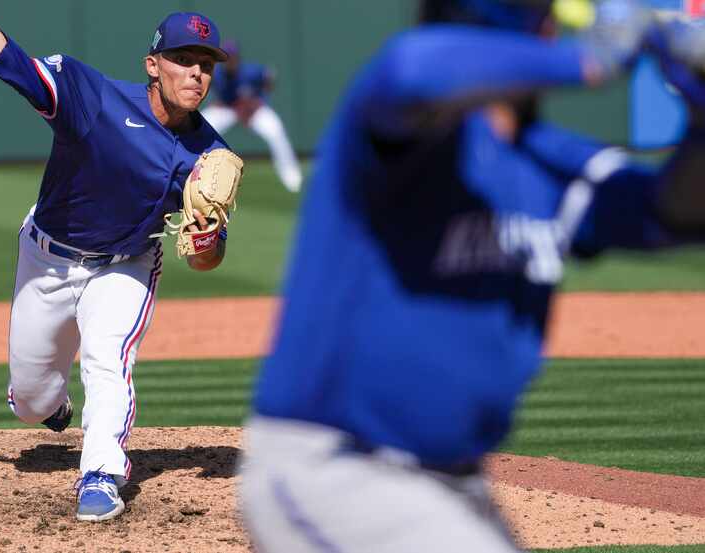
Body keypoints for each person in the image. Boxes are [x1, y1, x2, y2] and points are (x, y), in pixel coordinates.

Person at [238, 0, 705, 551]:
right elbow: (412, 67)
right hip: (339, 471)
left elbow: (670, 213)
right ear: (541, 30)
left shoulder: (545, 164)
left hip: (452, 488)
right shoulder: (402, 138)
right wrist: (591, 61)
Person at [0, 0, 233, 522]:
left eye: (206, 64)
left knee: (108, 358)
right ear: (153, 64)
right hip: (48, 257)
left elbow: (206, 261)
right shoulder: (91, 96)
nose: (196, 72)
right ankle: (50, 406)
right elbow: (7, 58)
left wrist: (207, 238)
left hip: (125, 263)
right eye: (183, 59)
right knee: (30, 402)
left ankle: (101, 472)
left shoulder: (209, 155)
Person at [202, 40, 304, 193]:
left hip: (252, 111)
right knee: (201, 124)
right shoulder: (216, 74)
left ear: (237, 58)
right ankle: (193, 172)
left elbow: (269, 76)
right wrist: (217, 103)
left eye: (232, 57)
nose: (229, 60)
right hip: (228, 110)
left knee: (275, 130)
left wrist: (260, 100)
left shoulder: (250, 71)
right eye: (226, 57)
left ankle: (290, 175)